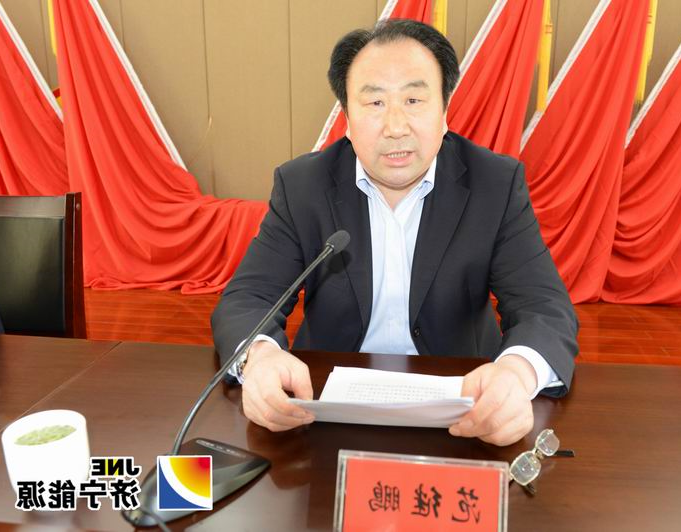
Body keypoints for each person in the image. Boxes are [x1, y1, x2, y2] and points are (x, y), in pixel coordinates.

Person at [211, 19, 578, 446]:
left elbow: (543, 307)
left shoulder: (493, 184)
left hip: (466, 409)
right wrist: (259, 358)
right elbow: (249, 297)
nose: (396, 126)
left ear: (444, 111)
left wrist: (516, 374)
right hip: (324, 409)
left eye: (414, 99)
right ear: (347, 118)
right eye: (375, 102)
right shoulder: (303, 186)